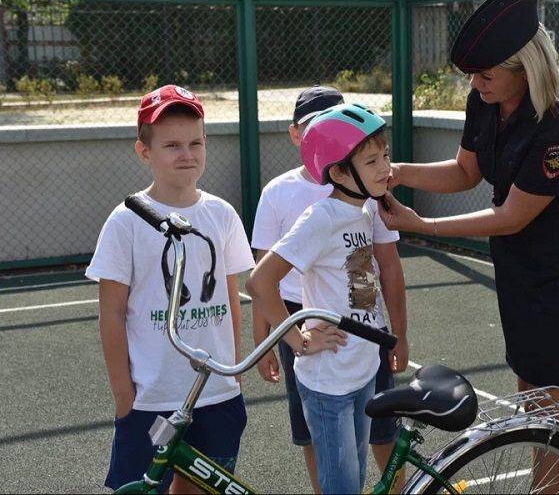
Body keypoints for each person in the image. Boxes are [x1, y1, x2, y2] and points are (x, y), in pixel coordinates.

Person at [379, 0, 559, 424]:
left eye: (485, 75)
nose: (474, 83)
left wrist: (423, 224)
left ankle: (555, 487)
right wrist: (400, 171)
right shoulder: (485, 99)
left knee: (551, 390)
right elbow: (466, 171)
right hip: (516, 258)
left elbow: (511, 216)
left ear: (524, 69)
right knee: (527, 378)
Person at [86, 85, 255, 493]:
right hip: (151, 398)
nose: (188, 153)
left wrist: (230, 371)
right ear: (144, 152)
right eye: (172, 145)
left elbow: (230, 296)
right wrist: (124, 395)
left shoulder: (221, 213)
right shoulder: (126, 221)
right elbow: (111, 313)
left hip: (215, 393)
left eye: (196, 142)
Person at [250, 86, 408, 493]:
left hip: (361, 368)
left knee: (353, 477)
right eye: (371, 160)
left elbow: (364, 283)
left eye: (385, 155)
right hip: (328, 380)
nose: (385, 168)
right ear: (338, 172)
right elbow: (260, 282)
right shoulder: (319, 217)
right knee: (342, 486)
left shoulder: (365, 208)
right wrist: (296, 340)